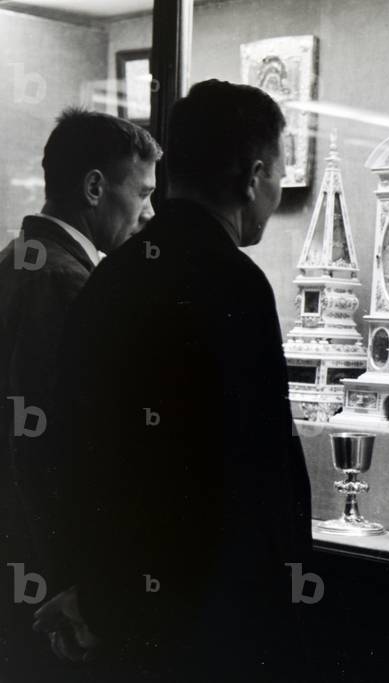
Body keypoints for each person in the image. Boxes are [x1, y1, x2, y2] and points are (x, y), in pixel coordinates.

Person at [33, 80, 312, 681]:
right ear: (253, 175)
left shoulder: (110, 275)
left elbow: (77, 454)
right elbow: (247, 476)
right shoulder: (235, 283)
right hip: (209, 621)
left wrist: (101, 596)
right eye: (279, 171)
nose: (277, 188)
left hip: (119, 609)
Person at [0, 110, 159, 653]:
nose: (149, 213)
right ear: (95, 187)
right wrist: (79, 592)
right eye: (142, 194)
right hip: (47, 595)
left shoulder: (13, 261)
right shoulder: (70, 287)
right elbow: (48, 454)